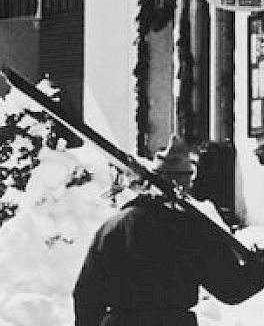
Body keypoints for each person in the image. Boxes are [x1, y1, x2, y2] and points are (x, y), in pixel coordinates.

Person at [73, 135, 264, 326]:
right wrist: (258, 268)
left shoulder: (114, 226)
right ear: (184, 183)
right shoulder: (192, 229)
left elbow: (86, 294)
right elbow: (231, 288)